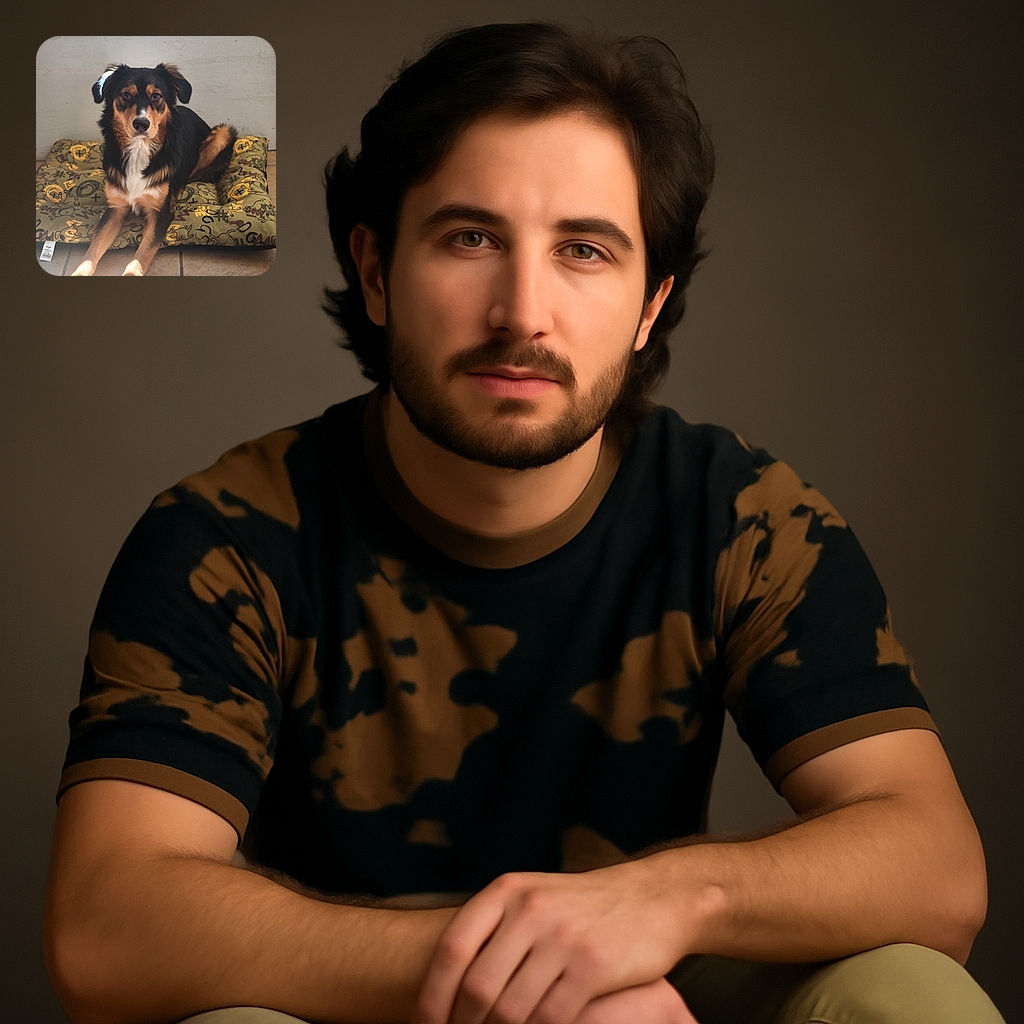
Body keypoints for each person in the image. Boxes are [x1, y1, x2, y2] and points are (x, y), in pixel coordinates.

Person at [44, 22, 1004, 1024]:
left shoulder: (740, 514)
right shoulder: (225, 536)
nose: (522, 311)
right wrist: (533, 980)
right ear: (375, 273)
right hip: (347, 996)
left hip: (647, 993)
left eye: (583, 250)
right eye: (470, 238)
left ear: (648, 307)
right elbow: (106, 924)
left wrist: (661, 904)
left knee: (906, 991)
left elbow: (936, 869)